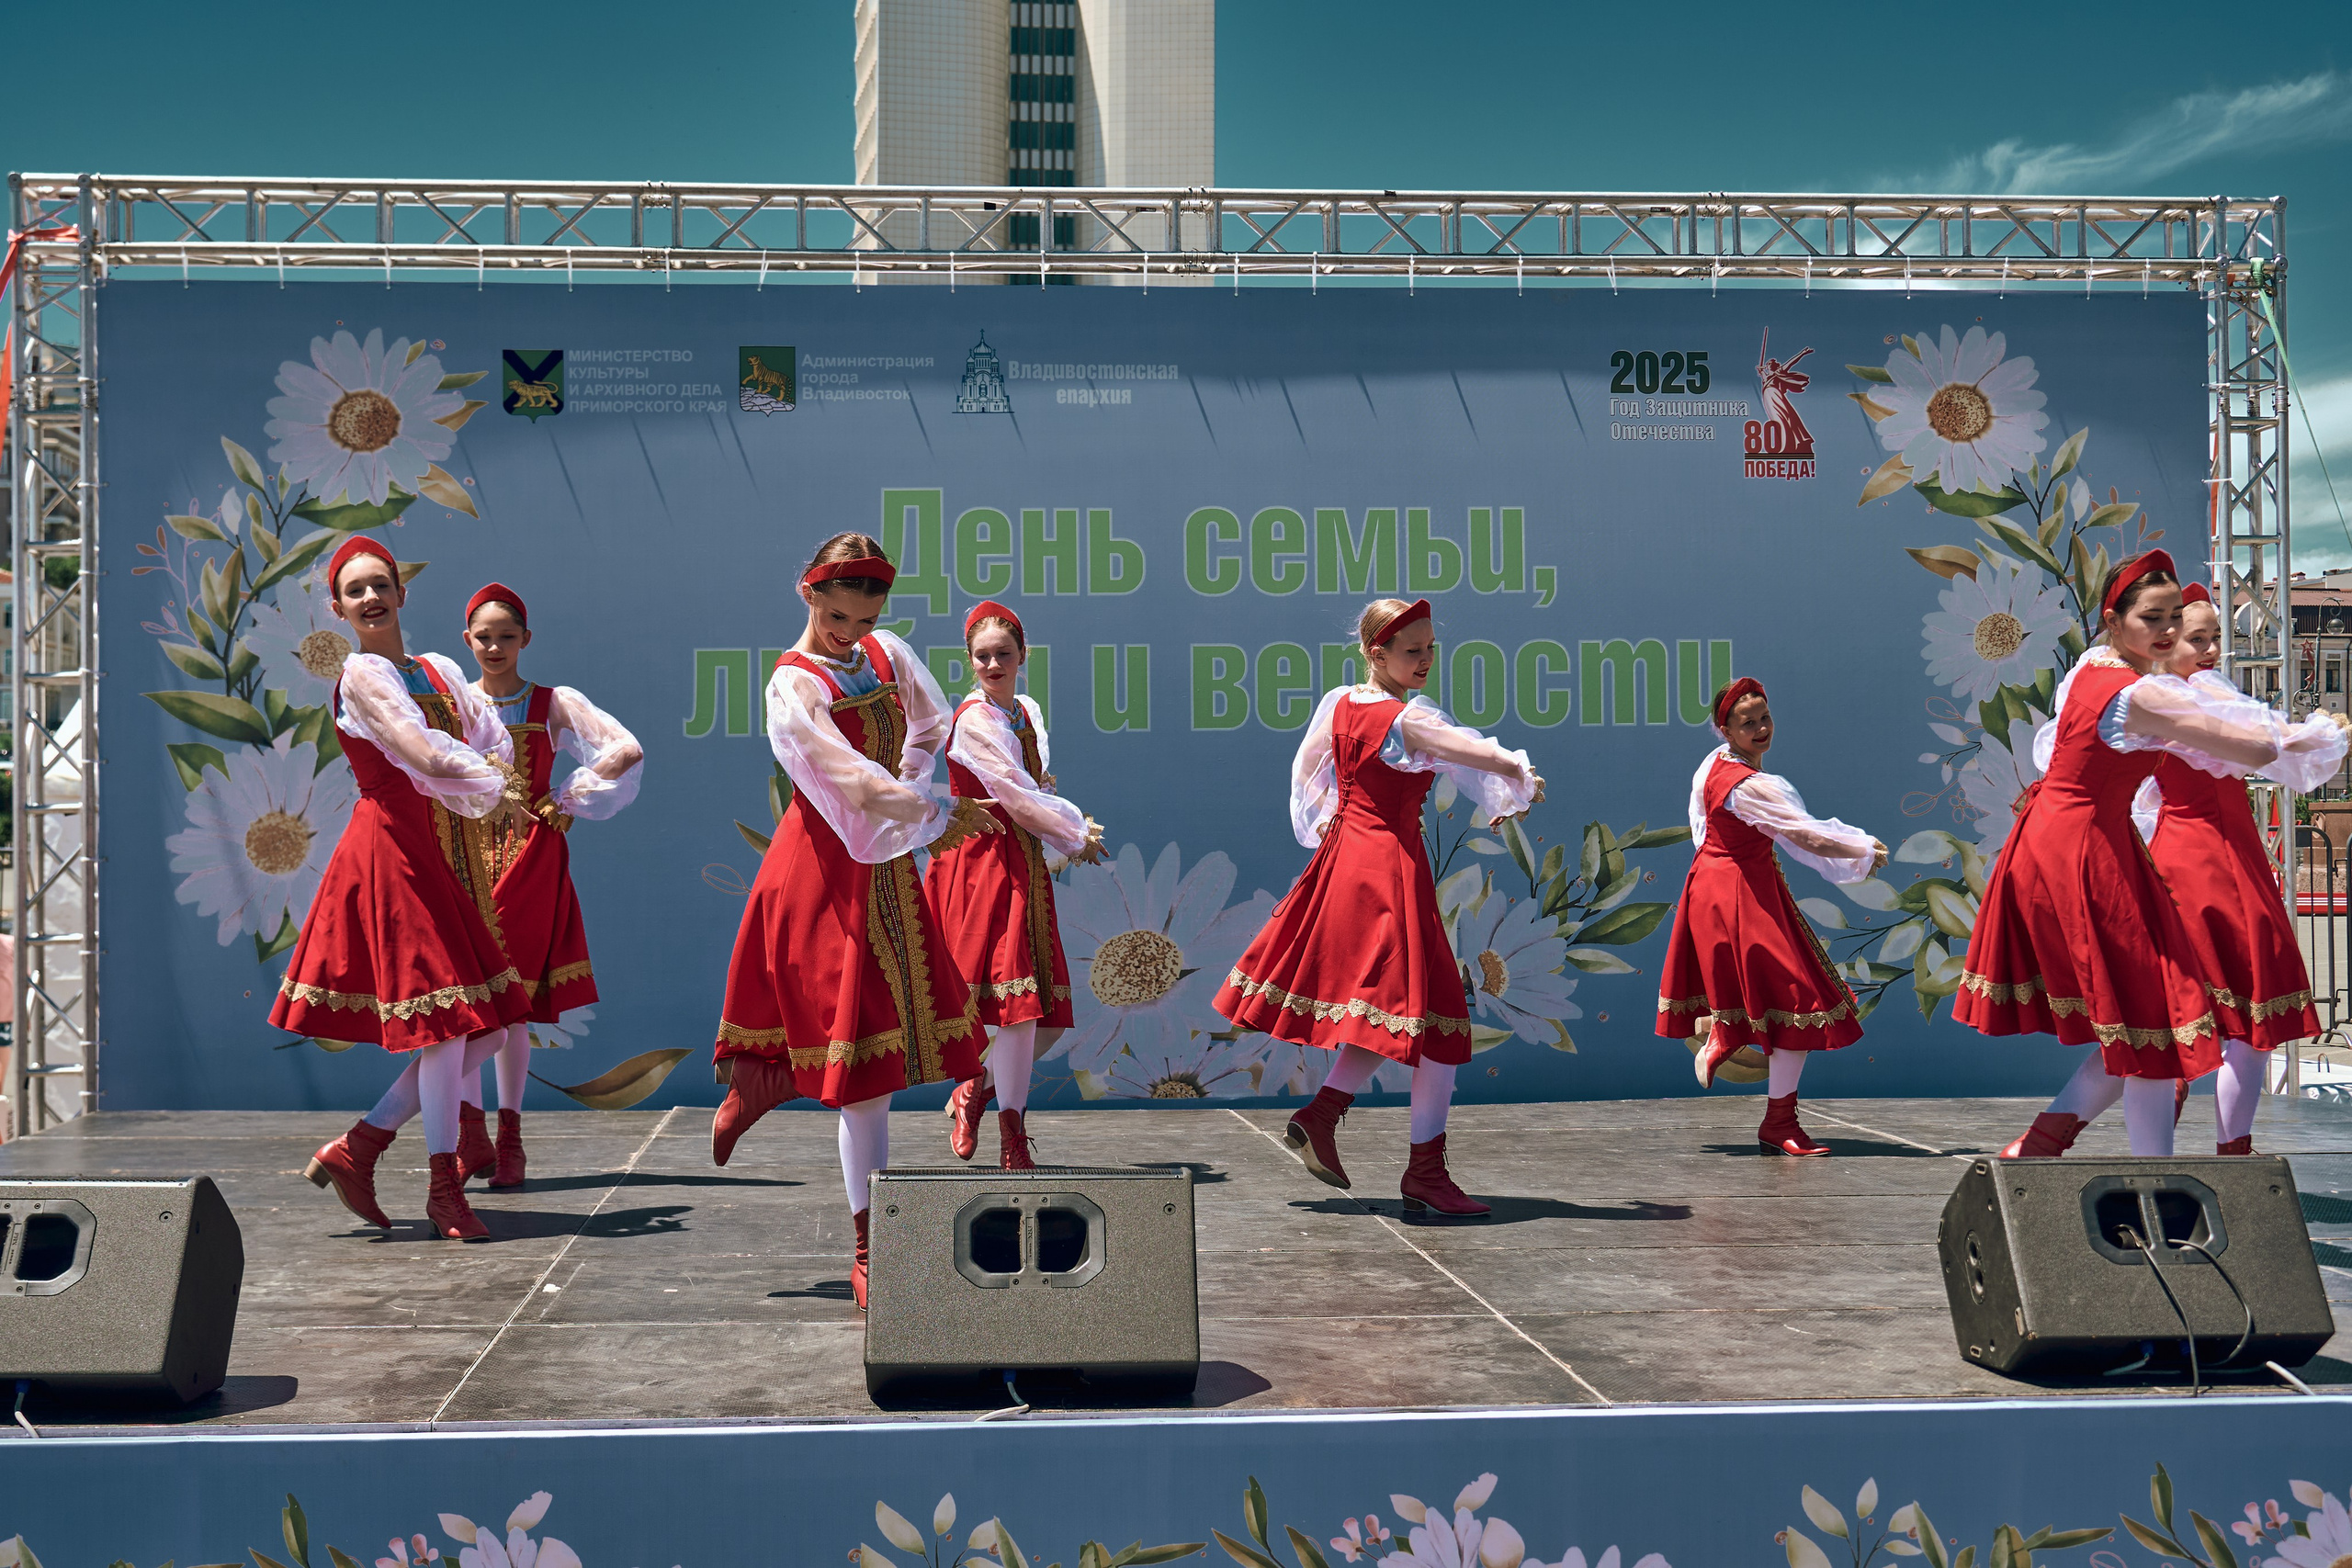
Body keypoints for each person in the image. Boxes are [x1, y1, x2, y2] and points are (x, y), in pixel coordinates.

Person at [1961, 550, 2343, 1157]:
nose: (2168, 633)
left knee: (2157, 1029)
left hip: (2087, 842)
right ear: (2114, 622)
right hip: (2088, 852)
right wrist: (2322, 737)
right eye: (2155, 619)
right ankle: (2144, 1170)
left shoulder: (2108, 674)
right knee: (2160, 1027)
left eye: (2177, 620)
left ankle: (2065, 1148)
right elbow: (2241, 745)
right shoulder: (2137, 693)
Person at [709, 533, 1000, 1307]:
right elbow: (852, 788)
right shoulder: (791, 688)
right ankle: (868, 1246)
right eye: (838, 614)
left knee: (881, 1055)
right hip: (821, 873)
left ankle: (763, 1077)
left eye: (866, 617)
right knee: (863, 1074)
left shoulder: (884, 654)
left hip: (884, 866)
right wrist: (933, 811)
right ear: (807, 593)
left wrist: (917, 792)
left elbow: (929, 728)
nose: (851, 630)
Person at [1214, 598, 1544, 1220]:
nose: (1423, 660)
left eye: (1429, 648)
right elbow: (1450, 745)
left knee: (1393, 1012)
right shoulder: (1398, 718)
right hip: (1387, 868)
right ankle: (1421, 1169)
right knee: (1437, 1017)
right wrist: (1513, 767)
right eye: (1411, 650)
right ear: (1376, 653)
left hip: (1351, 857)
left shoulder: (1340, 703)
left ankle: (1325, 1116)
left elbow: (1307, 770)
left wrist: (1330, 827)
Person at [278, 536, 529, 1241]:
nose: (370, 597)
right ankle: (443, 1189)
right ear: (339, 608)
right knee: (449, 1028)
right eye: (355, 590)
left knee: (497, 1023)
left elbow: (492, 735)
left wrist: (493, 773)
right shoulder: (362, 676)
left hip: (437, 847)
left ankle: (362, 1145)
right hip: (390, 849)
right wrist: (488, 784)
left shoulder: (438, 668)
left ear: (401, 592)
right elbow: (418, 750)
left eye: (379, 583)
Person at [2123, 582, 2345, 1154]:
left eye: (2216, 637)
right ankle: (2189, 1156)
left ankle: (2231, 1156)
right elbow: (2268, 744)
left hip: (2229, 855)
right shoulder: (2168, 701)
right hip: (2196, 861)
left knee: (2244, 1026)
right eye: (2198, 638)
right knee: (2209, 1021)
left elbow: (2267, 738)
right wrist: (2321, 734)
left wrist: (2314, 736)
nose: (2212, 649)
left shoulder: (2207, 693)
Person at [453, 582, 645, 1190]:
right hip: (460, 859)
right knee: (462, 1006)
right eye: (483, 635)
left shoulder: (551, 701)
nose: (493, 645)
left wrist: (568, 795)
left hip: (526, 861)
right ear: (467, 641)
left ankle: (507, 1136)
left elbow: (623, 748)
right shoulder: (453, 704)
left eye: (505, 635)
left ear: (525, 640)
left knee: (509, 1008)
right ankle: (470, 1132)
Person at [1657, 678, 1888, 1156]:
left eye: (1764, 718)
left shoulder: (1717, 766)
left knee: (1779, 996)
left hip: (1721, 885)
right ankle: (1771, 1108)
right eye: (1747, 723)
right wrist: (1862, 850)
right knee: (1796, 999)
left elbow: (1711, 829)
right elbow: (1807, 838)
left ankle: (1732, 1044)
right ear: (1725, 730)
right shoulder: (1747, 785)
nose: (1760, 728)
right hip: (1736, 891)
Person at [927, 600, 1105, 1170]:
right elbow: (1015, 793)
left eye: (1003, 654)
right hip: (980, 865)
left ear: (1023, 657)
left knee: (1036, 1015)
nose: (993, 664)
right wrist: (1077, 834)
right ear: (970, 661)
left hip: (1019, 860)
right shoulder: (976, 719)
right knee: (1005, 1006)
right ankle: (1008, 1134)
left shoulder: (1023, 711)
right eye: (982, 656)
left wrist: (1055, 818)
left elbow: (1033, 782)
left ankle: (980, 1098)